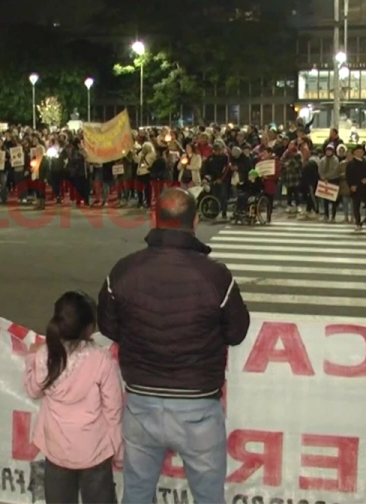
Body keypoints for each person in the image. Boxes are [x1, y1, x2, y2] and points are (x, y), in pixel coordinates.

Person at [97, 187, 250, 504]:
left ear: (153, 218)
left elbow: (109, 327)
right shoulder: (215, 276)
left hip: (140, 402)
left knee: (137, 493)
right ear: (194, 221)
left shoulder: (123, 271)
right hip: (198, 406)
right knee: (208, 497)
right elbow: (236, 332)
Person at [24, 291, 121, 504]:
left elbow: (33, 390)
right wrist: (117, 448)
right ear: (90, 329)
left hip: (56, 450)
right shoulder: (101, 359)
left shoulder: (45, 355)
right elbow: (113, 410)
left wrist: (31, 358)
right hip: (94, 452)